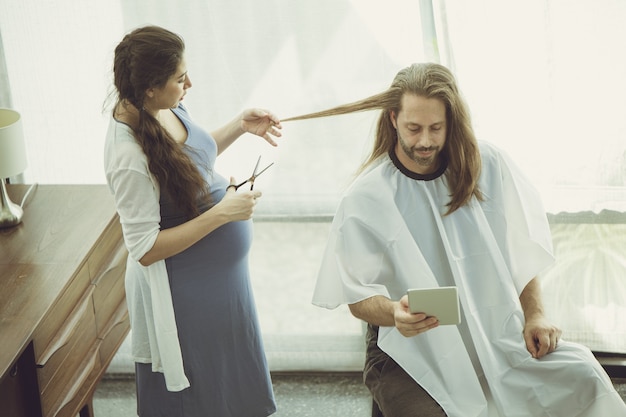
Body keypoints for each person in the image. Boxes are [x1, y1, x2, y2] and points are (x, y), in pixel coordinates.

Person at [284, 63, 626, 416]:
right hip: (408, 349)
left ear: (452, 122)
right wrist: (394, 312)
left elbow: (519, 249)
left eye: (436, 128)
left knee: (586, 375)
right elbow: (357, 298)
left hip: (495, 335)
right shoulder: (366, 197)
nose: (425, 141)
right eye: (413, 128)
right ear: (392, 120)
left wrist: (535, 315)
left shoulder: (487, 165)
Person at [104, 26, 281, 417]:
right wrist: (223, 214)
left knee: (230, 384)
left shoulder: (161, 106)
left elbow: (191, 158)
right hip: (187, 296)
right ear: (150, 87)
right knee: (200, 397)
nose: (190, 83)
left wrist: (240, 125)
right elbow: (145, 249)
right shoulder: (126, 157)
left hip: (222, 284)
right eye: (180, 78)